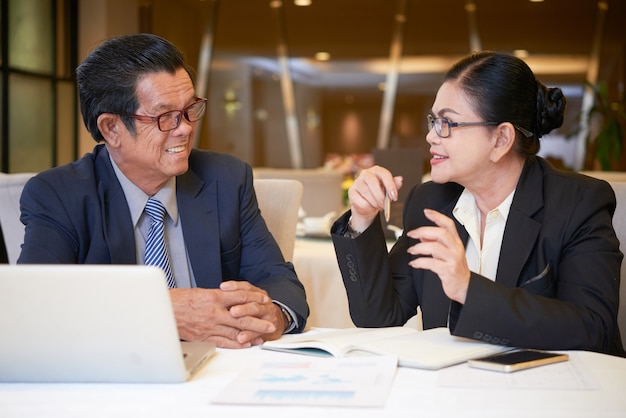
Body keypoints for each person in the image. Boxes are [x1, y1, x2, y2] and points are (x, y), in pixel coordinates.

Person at [17, 33, 309, 348]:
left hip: (220, 367)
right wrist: (160, 308)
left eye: (189, 109)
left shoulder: (226, 179)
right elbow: (35, 305)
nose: (184, 127)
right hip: (117, 374)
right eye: (164, 117)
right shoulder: (59, 194)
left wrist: (272, 313)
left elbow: (281, 284)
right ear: (112, 128)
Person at [332, 51, 625, 357]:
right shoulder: (430, 201)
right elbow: (379, 317)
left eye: (448, 123)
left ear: (501, 139)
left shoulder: (578, 203)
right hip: (452, 390)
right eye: (433, 121)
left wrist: (468, 290)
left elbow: (593, 329)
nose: (431, 136)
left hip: (546, 393)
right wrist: (362, 219)